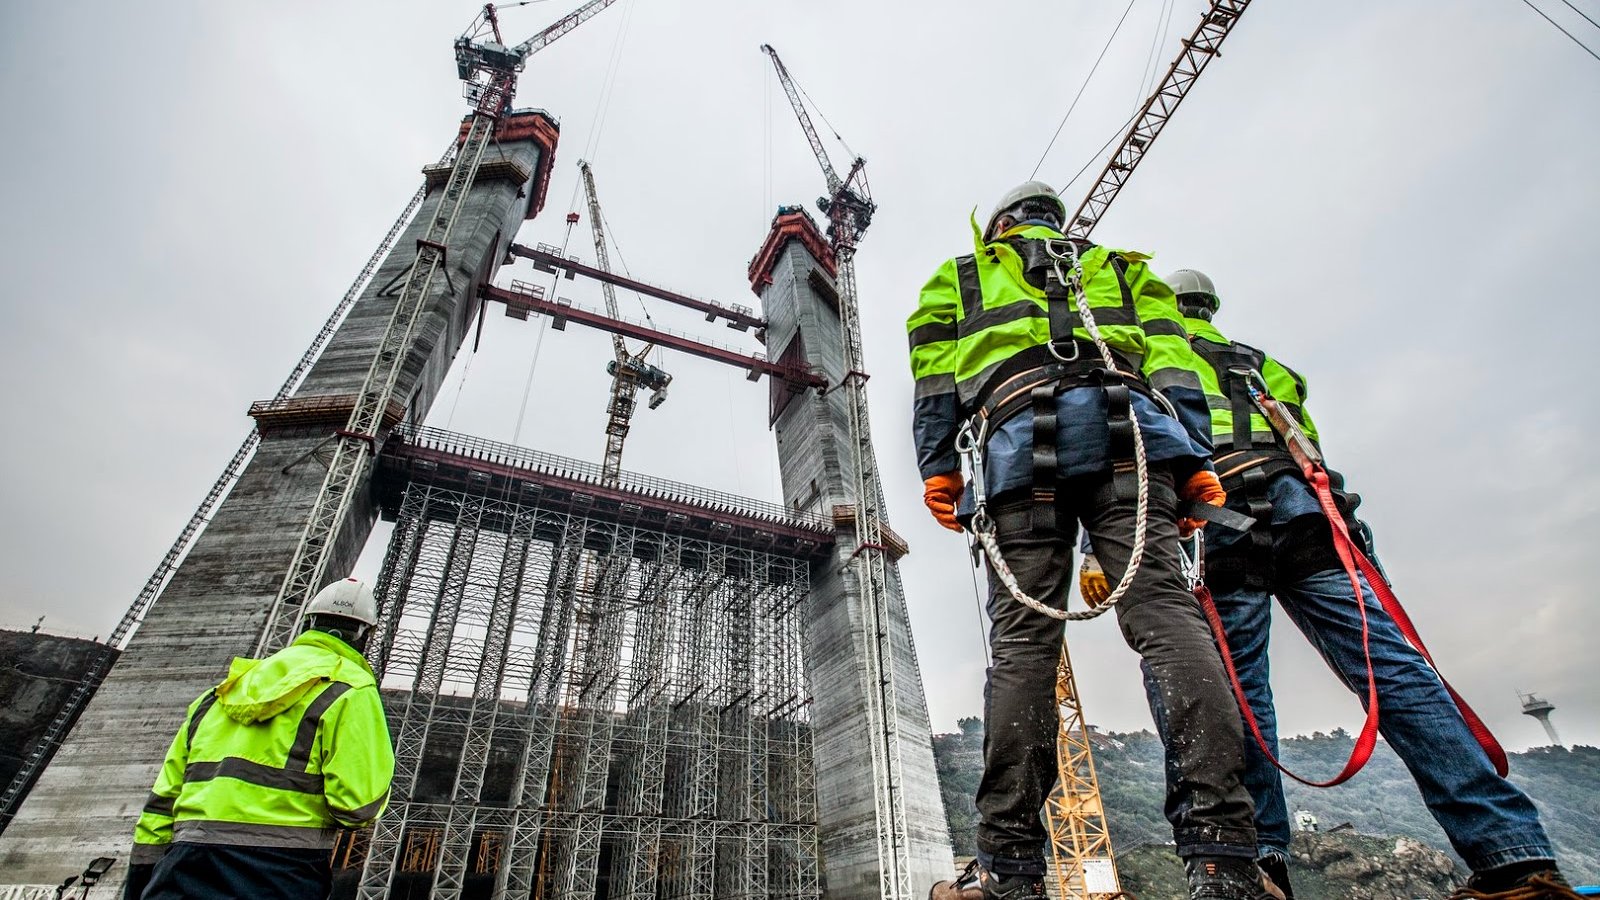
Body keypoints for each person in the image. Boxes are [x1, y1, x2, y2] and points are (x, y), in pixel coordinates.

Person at [1092, 268, 1577, 900]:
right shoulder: (1265, 366)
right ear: (1209, 306)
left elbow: (1133, 450)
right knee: (1397, 675)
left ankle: (1260, 866)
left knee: (1234, 699)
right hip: (1311, 519)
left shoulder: (1149, 351)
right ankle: (1513, 858)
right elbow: (1306, 446)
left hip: (1216, 519)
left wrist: (1097, 546)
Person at [912, 183, 1279, 900]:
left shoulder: (959, 276)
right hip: (1132, 441)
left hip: (1020, 450)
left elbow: (934, 377)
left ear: (1001, 230)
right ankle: (1224, 858)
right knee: (1169, 620)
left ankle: (1010, 870)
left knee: (1024, 647)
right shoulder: (1118, 268)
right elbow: (1173, 363)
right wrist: (1197, 457)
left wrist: (939, 469)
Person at [124, 578, 395, 900]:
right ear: (366, 635)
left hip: (182, 867)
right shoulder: (350, 691)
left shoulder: (218, 695)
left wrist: (141, 881)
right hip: (281, 872)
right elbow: (357, 806)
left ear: (308, 623)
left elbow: (160, 804)